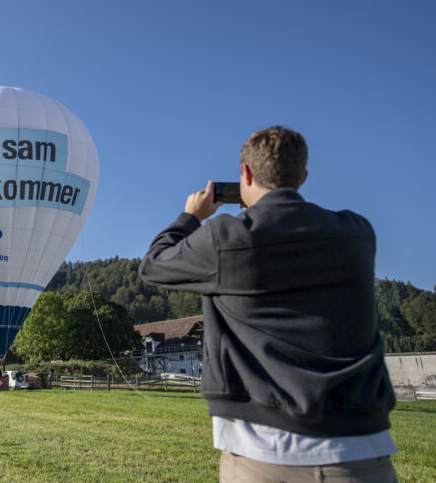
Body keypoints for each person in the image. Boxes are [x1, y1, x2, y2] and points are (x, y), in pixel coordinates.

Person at [139, 126, 397, 482]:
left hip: (263, 450)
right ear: (302, 176)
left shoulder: (226, 238)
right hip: (362, 448)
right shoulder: (358, 233)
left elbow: (153, 265)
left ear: (244, 173)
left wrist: (192, 217)